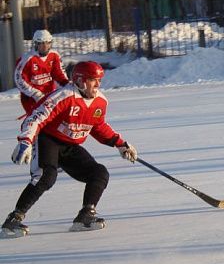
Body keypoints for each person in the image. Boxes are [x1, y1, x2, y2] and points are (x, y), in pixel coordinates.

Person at [2, 61, 138, 238]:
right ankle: (13, 219)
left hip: (70, 145)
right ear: (80, 80)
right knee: (46, 176)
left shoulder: (100, 101)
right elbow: (35, 118)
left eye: (99, 80)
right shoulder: (63, 96)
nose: (97, 84)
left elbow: (97, 126)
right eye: (92, 80)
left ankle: (85, 215)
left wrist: (120, 144)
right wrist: (25, 141)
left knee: (99, 173)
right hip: (48, 140)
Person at [14, 30, 69, 115]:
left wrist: (67, 85)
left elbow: (59, 74)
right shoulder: (27, 59)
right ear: (36, 44)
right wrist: (35, 94)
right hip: (31, 99)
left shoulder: (54, 55)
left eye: (48, 43)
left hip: (50, 96)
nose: (45, 46)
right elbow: (19, 80)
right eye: (41, 43)